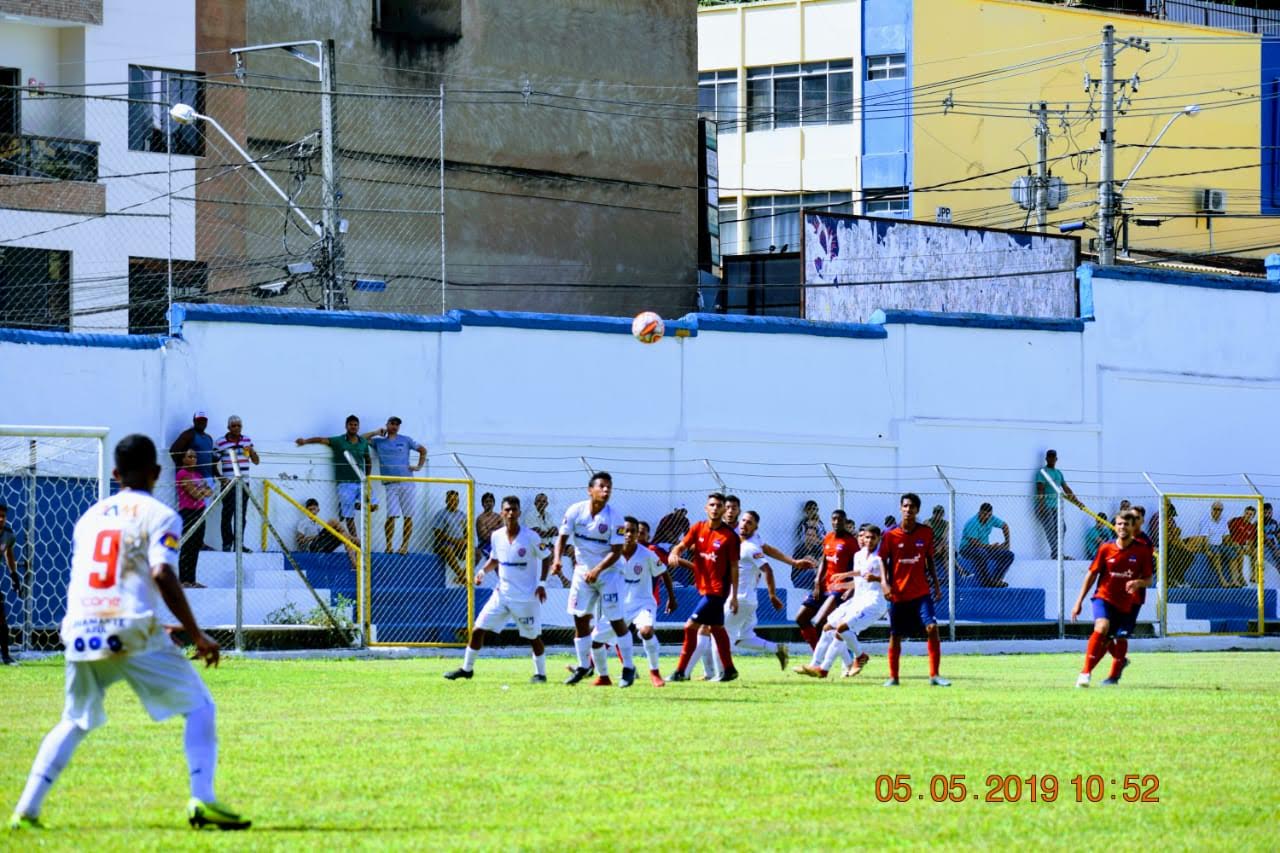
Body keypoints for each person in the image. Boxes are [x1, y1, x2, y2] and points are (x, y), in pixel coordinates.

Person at [7, 434, 249, 831]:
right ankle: (203, 799)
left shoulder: (89, 519)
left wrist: (156, 622)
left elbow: (106, 581)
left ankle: (25, 811)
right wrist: (197, 633)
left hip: (82, 628)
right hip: (131, 628)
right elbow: (161, 572)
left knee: (73, 720)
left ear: (115, 473)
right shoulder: (161, 514)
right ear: (156, 472)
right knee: (200, 707)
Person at [444, 496, 548, 683]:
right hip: (501, 594)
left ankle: (540, 674)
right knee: (477, 629)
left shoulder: (531, 536)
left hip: (525, 597)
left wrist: (542, 584)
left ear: (519, 513)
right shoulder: (496, 536)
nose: (510, 513)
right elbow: (494, 559)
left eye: (514, 510)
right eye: (507, 510)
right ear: (502, 513)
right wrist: (482, 571)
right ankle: (466, 669)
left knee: (533, 637)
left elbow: (546, 557)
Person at [555, 472, 633, 687]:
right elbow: (561, 538)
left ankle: (628, 667)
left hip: (608, 573)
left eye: (609, 487)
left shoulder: (614, 518)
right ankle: (583, 666)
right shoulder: (575, 511)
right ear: (590, 490)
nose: (606, 491)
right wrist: (557, 560)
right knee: (580, 618)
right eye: (602, 487)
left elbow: (617, 551)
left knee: (616, 620)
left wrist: (598, 570)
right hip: (583, 572)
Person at [1070, 510, 1153, 687]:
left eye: (1127, 524)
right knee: (1102, 627)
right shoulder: (1106, 548)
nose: (1122, 527)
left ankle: (1115, 672)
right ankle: (1085, 673)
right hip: (1103, 597)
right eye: (1119, 524)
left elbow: (1148, 579)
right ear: (1114, 526)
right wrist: (1078, 602)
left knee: (1118, 637)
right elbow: (1092, 574)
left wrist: (1138, 583)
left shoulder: (1143, 549)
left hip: (1127, 602)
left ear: (1134, 526)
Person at [667, 492, 741, 683]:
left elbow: (734, 567)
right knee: (716, 628)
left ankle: (681, 671)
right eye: (712, 505)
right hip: (704, 588)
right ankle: (729, 669)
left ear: (724, 509)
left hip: (717, 591)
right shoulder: (698, 528)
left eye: (719, 505)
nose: (715, 508)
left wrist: (733, 595)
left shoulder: (730, 536)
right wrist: (675, 553)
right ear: (706, 508)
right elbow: (681, 545)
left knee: (690, 626)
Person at [798, 523, 888, 678]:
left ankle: (858, 657)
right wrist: (844, 578)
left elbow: (889, 580)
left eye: (873, 538)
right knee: (828, 627)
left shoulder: (882, 557)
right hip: (858, 600)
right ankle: (817, 665)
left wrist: (875, 578)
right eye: (866, 537)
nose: (869, 540)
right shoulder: (859, 555)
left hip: (874, 603)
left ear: (879, 538)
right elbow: (862, 575)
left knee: (842, 629)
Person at [880, 493, 949, 687]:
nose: (908, 510)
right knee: (895, 634)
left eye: (912, 507)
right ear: (901, 508)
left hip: (921, 593)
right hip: (898, 594)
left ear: (917, 510)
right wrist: (885, 584)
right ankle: (894, 677)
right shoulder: (890, 535)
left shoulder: (926, 532)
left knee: (933, 628)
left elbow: (930, 560)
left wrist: (936, 585)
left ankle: (934, 675)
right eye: (905, 506)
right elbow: (881, 560)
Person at [598, 516, 675, 688]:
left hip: (643, 603)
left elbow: (664, 572)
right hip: (619, 604)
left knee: (646, 632)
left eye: (633, 531)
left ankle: (654, 672)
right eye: (626, 531)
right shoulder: (612, 555)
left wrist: (671, 597)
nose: (629, 534)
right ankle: (595, 672)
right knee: (598, 639)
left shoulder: (647, 554)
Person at [295, 416, 371, 550]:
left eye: (356, 425)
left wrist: (367, 478)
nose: (353, 427)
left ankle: (352, 506)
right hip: (345, 483)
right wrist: (305, 441)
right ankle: (356, 541)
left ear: (358, 426)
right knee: (348, 519)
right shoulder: (339, 441)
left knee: (372, 505)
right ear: (346, 426)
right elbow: (321, 439)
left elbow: (368, 459)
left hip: (360, 482)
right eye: (351, 424)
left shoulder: (363, 442)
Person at [726, 510, 788, 670]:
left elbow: (767, 569)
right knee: (743, 638)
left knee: (723, 635)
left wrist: (772, 595)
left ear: (755, 527)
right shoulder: (738, 543)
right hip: (748, 600)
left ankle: (721, 672)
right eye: (744, 521)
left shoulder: (751, 548)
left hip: (740, 600)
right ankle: (777, 648)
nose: (745, 524)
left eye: (749, 523)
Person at [794, 509, 856, 651]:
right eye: (834, 519)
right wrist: (817, 581)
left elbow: (857, 567)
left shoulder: (851, 542)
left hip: (838, 589)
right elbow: (824, 561)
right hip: (823, 586)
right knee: (801, 618)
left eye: (840, 520)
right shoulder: (828, 537)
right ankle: (818, 652)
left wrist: (851, 589)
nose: (836, 522)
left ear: (845, 522)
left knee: (819, 622)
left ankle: (830, 656)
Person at [365, 417, 426, 554]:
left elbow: (423, 450)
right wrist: (376, 432)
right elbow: (362, 439)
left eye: (397, 424)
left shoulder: (406, 440)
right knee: (391, 515)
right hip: (390, 484)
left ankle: (404, 546)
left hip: (407, 482)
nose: (394, 426)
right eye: (392, 423)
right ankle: (389, 546)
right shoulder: (379, 442)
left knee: (408, 516)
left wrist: (418, 467)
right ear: (387, 424)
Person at [214, 416, 258, 552]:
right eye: (234, 426)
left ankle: (239, 544)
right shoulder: (220, 443)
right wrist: (221, 479)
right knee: (227, 515)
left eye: (239, 426)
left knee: (241, 515)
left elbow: (256, 461)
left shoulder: (247, 440)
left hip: (244, 484)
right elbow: (213, 463)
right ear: (228, 428)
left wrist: (251, 452)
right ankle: (227, 544)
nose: (237, 428)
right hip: (229, 485)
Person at [175, 449, 213, 588]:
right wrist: (202, 491)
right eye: (189, 456)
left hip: (200, 512)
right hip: (188, 512)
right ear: (183, 459)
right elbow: (195, 494)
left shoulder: (197, 474)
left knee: (196, 546)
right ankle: (183, 580)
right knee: (187, 546)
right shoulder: (182, 474)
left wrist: (202, 491)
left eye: (195, 457)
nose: (193, 459)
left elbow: (210, 491)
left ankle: (191, 580)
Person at [959, 503, 1014, 588]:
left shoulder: (991, 519)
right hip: (967, 549)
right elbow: (974, 543)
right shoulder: (972, 523)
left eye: (989, 515)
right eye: (985, 515)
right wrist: (991, 547)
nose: (987, 517)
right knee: (982, 553)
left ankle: (996, 580)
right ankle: (986, 582)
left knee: (1008, 555)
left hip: (985, 548)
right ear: (979, 512)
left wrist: (1007, 543)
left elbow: (1005, 526)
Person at [1034, 449, 1076, 559]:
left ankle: (1057, 553)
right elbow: (1040, 489)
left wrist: (1076, 500)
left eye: (1053, 457)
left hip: (1056, 507)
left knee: (1062, 528)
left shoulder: (1058, 473)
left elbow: (1066, 488)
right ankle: (1057, 554)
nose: (1051, 459)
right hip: (1045, 506)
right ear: (1046, 458)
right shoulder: (1042, 472)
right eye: (1049, 457)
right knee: (1051, 529)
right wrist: (1041, 506)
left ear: (1056, 459)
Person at [1184, 501, 1234, 587]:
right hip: (1210, 544)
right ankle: (1222, 580)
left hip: (1221, 544)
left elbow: (1226, 536)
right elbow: (1204, 538)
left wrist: (1232, 545)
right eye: (1215, 509)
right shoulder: (1205, 520)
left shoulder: (1223, 520)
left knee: (1234, 554)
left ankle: (1235, 580)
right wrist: (1207, 550)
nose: (1217, 511)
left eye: (1219, 510)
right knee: (1216, 554)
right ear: (1211, 509)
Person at [429, 490, 468, 585]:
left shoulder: (462, 515)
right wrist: (454, 541)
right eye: (451, 500)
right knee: (448, 549)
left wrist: (465, 541)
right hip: (444, 544)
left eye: (456, 500)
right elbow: (438, 534)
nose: (454, 502)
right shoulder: (441, 514)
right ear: (446, 501)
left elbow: (467, 532)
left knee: (476, 552)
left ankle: (461, 576)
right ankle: (462, 577)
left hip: (459, 545)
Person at [528, 493, 566, 587]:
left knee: (571, 550)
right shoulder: (530, 516)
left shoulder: (548, 515)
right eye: (539, 501)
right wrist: (549, 532)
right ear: (535, 503)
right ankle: (563, 580)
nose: (541, 503)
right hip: (537, 545)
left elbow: (556, 531)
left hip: (549, 544)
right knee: (550, 552)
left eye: (544, 501)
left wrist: (546, 532)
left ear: (547, 504)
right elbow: (537, 533)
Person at [168, 411, 216, 485]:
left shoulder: (209, 438)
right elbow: (174, 451)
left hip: (208, 478)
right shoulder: (188, 434)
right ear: (194, 421)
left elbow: (210, 458)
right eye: (199, 420)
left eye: (204, 420)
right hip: (194, 479)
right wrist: (185, 472)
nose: (201, 422)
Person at [0, 503, 19, 665]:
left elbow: (9, 555)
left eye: (3, 516)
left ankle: (6, 656)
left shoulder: (8, 535)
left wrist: (14, 575)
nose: (1, 519)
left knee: (1, 619)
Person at [792, 500, 826, 567]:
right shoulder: (803, 524)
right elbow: (803, 539)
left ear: (817, 510)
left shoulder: (820, 524)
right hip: (806, 548)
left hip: (818, 548)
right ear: (806, 511)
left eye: (814, 509)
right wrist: (815, 540)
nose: (812, 511)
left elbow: (824, 537)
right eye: (809, 509)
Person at [474, 493, 502, 561]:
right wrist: (497, 529)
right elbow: (485, 536)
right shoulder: (480, 519)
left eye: (490, 501)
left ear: (494, 503)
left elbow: (504, 533)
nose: (489, 503)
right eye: (486, 502)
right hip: (484, 546)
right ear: (482, 504)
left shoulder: (498, 517)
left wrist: (491, 530)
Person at [927, 505, 949, 577]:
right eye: (936, 514)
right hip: (930, 546)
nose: (938, 517)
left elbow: (944, 537)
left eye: (940, 515)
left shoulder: (946, 524)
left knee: (946, 553)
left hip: (941, 547)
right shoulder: (927, 522)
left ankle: (949, 578)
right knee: (945, 551)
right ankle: (960, 570)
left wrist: (940, 546)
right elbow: (930, 538)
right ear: (933, 514)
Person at [1263, 503, 1280, 569]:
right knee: (1271, 562)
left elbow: (1278, 535)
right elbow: (1265, 539)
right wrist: (1275, 549)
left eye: (1269, 512)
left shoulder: (1274, 522)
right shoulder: (1259, 523)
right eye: (1265, 513)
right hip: (1265, 546)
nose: (1267, 515)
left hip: (1275, 545)